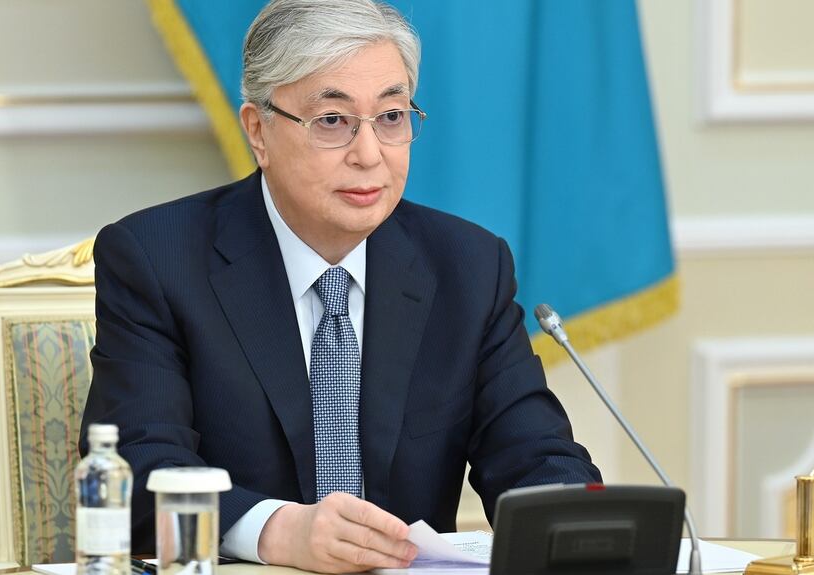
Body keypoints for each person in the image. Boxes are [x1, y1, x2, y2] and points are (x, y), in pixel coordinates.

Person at [79, 0, 601, 572]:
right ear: (259, 130)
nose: (369, 154)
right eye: (333, 121)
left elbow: (534, 455)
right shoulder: (157, 257)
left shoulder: (468, 266)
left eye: (392, 117)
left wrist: (578, 529)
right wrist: (277, 529)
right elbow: (138, 467)